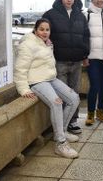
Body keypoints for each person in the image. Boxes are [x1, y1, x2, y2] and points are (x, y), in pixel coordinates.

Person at [14, 18, 80, 159]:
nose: (45, 32)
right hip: (36, 81)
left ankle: (62, 131)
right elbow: (20, 69)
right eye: (41, 29)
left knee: (74, 98)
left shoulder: (47, 44)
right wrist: (24, 89)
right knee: (56, 103)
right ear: (35, 30)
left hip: (50, 78)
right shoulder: (28, 44)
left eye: (47, 30)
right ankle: (60, 144)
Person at [42, 0, 90, 135]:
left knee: (74, 93)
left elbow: (85, 36)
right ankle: (61, 123)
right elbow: (42, 34)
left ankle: (73, 121)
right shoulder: (50, 14)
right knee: (62, 94)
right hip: (59, 61)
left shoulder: (80, 15)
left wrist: (85, 54)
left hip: (76, 61)